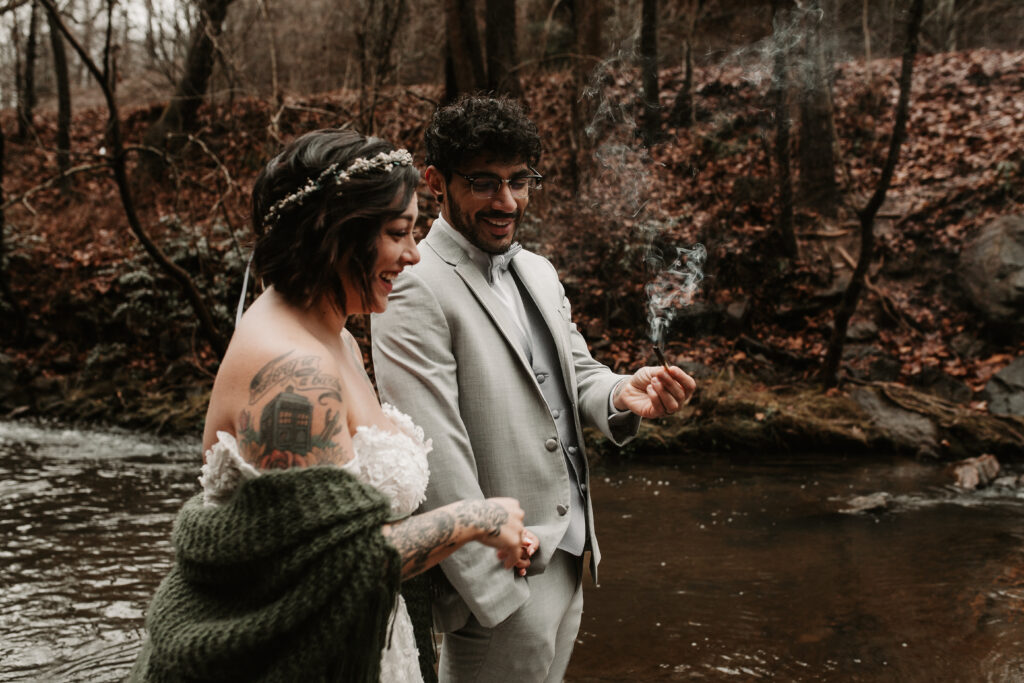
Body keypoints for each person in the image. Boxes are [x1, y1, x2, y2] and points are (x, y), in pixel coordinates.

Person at [129, 128, 537, 683]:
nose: (414, 255)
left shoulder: (335, 334)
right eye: (398, 233)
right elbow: (336, 567)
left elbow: (354, 526)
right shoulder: (290, 377)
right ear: (335, 236)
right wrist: (475, 520)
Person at [371, 95, 698, 682]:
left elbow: (578, 373)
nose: (508, 202)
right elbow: (434, 450)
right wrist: (493, 593)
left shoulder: (539, 271)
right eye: (485, 183)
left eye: (520, 181)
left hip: (572, 559)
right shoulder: (412, 286)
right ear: (435, 182)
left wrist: (626, 392)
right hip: (500, 582)